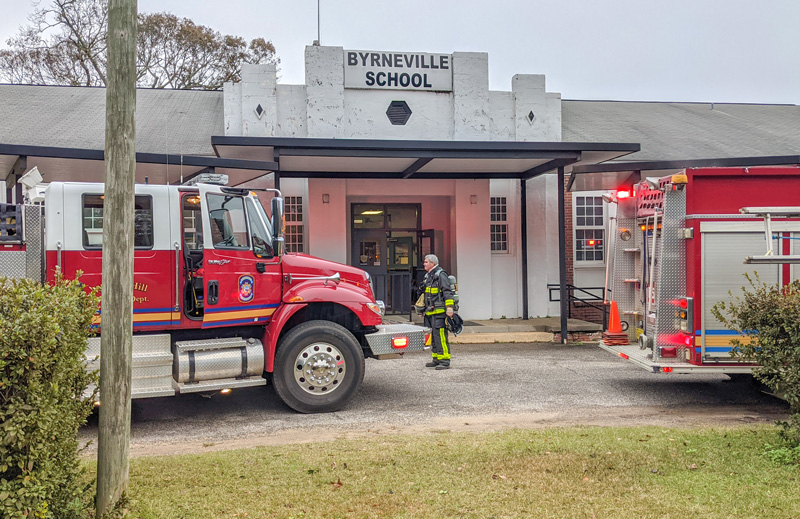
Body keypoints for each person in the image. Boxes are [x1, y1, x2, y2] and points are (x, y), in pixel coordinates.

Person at [421, 254, 455, 370]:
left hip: (439, 313)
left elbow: (447, 292)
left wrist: (449, 307)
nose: (424, 264)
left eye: (426, 262)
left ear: (433, 263)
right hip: (430, 312)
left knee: (440, 336)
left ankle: (445, 361)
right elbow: (426, 295)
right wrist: (422, 310)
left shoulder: (441, 275)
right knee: (433, 337)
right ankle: (436, 359)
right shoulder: (428, 276)